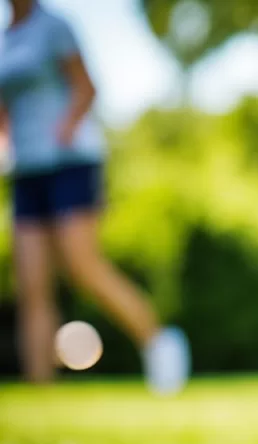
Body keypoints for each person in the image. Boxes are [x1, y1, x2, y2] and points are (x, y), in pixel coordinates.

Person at [0, 0, 190, 388]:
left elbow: (86, 88)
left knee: (82, 265)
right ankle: (41, 388)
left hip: (70, 162)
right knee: (31, 282)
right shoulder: (4, 39)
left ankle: (159, 341)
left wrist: (65, 127)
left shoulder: (55, 27)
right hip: (27, 169)